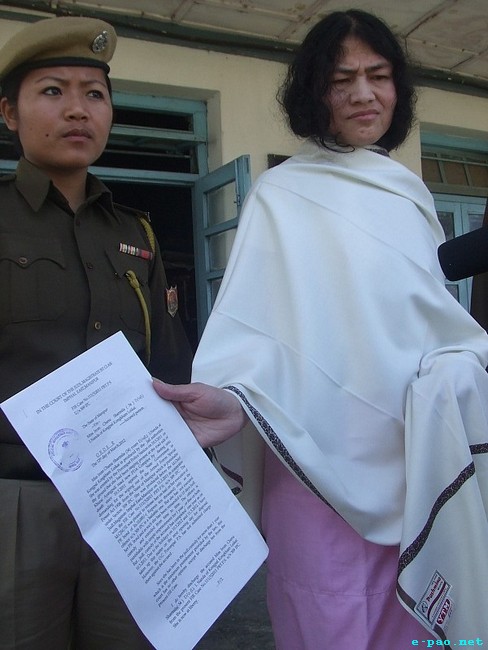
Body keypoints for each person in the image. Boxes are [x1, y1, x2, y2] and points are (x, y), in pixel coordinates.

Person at [153, 9, 488, 649]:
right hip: (313, 465)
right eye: (342, 79)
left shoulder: (410, 197)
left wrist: (456, 366)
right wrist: (234, 401)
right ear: (315, 92)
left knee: (414, 626)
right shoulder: (281, 195)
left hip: (415, 464)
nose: (364, 94)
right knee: (325, 619)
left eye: (378, 76)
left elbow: (423, 321)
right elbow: (256, 330)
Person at [0, 16, 192, 650]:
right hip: (18, 502)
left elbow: (167, 364)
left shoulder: (138, 233)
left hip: (127, 500)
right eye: (53, 91)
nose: (78, 110)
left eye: (95, 94)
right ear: (9, 113)